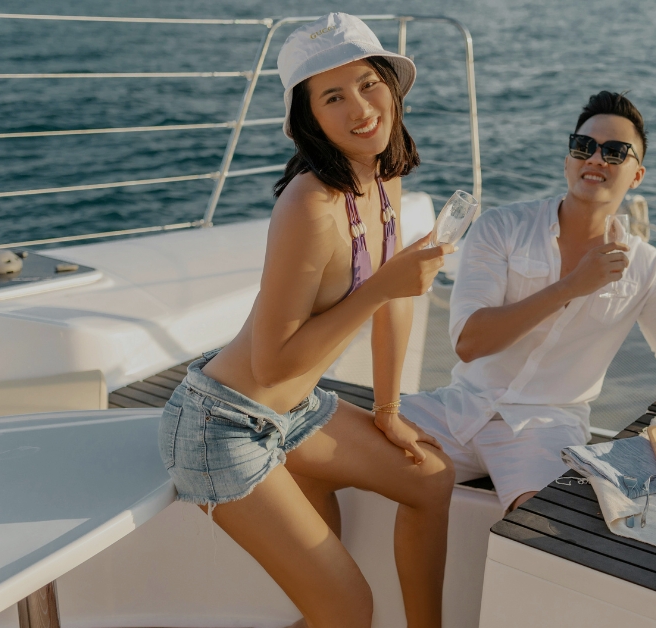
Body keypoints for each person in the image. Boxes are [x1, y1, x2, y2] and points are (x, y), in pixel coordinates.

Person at [158, 14, 455, 628]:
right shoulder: (308, 205)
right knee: (348, 609)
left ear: (391, 88)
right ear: (308, 118)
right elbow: (274, 363)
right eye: (333, 97)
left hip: (292, 414)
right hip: (222, 426)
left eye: (368, 83)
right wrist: (380, 289)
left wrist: (390, 412)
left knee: (430, 478)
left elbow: (395, 305)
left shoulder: (384, 176)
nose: (361, 108)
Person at [400, 91, 656, 513]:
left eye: (615, 151)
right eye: (584, 146)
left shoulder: (646, 267)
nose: (596, 159)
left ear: (637, 175)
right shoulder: (502, 227)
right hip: (458, 408)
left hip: (544, 429)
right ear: (568, 159)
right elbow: (469, 342)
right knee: (320, 441)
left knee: (546, 532)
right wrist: (572, 285)